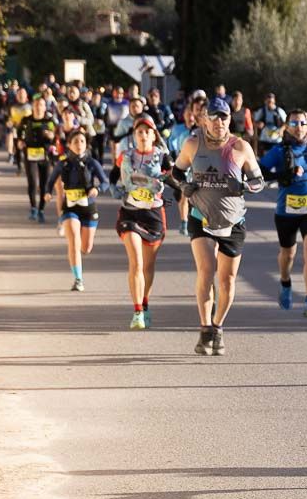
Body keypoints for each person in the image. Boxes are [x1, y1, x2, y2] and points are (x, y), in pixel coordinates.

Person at [171, 96, 265, 355]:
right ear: (204, 120)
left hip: (233, 221)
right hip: (201, 217)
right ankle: (204, 329)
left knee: (227, 279)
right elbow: (176, 172)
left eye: (224, 117)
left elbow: (259, 182)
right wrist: (183, 186)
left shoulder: (241, 147)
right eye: (214, 117)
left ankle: (218, 326)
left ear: (229, 120)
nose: (219, 122)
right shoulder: (192, 144)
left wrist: (243, 186)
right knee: (207, 270)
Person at [259, 109, 307, 317]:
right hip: (286, 211)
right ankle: (285, 282)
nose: (298, 127)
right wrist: (284, 174)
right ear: (288, 127)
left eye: (302, 123)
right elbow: (261, 172)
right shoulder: (279, 151)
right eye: (294, 123)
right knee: (288, 253)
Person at [113, 115, 173, 329]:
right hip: (130, 213)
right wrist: (113, 187)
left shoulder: (162, 157)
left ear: (154, 135)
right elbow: (113, 176)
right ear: (134, 135)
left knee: (148, 265)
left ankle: (145, 302)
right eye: (139, 131)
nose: (143, 135)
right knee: (136, 262)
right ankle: (137, 311)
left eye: (147, 131)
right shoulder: (125, 157)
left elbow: (175, 177)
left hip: (153, 215)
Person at [44, 130, 109, 291]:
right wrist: (47, 192)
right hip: (70, 207)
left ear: (86, 144)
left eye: (82, 141)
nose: (79, 144)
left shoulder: (92, 163)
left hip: (88, 207)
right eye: (75, 141)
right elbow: (51, 180)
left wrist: (97, 189)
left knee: (86, 248)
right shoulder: (63, 163)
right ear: (69, 145)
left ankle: (78, 253)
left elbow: (105, 182)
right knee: (73, 239)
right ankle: (78, 279)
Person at [167, 91, 206, 236]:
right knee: (183, 196)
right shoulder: (182, 132)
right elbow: (173, 147)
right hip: (184, 168)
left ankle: (196, 220)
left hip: (200, 171)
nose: (193, 117)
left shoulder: (207, 133)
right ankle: (184, 222)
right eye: (190, 114)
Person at [18, 94, 57, 222]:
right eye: (36, 105)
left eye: (41, 105)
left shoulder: (49, 121)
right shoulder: (26, 120)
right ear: (32, 107)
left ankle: (41, 210)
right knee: (33, 183)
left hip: (45, 156)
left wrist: (51, 136)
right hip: (30, 155)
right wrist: (20, 142)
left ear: (45, 107)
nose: (38, 107)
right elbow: (19, 134)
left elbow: (55, 137)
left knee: (44, 185)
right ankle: (33, 208)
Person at [6, 86, 32, 173]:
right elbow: (9, 119)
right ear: (17, 96)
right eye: (19, 94)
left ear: (26, 95)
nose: (21, 95)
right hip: (17, 129)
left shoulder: (30, 106)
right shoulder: (12, 107)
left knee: (26, 149)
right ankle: (19, 166)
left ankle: (28, 165)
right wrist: (10, 123)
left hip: (28, 130)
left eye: (23, 94)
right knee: (17, 148)